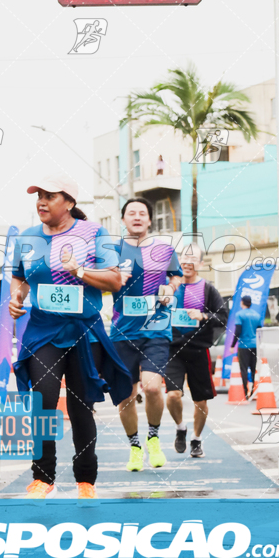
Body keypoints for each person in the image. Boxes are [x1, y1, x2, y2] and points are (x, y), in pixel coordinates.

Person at [9, 175, 132, 501]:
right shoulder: (28, 237)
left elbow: (115, 281)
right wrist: (15, 298)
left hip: (84, 331)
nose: (41, 202)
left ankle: (85, 480)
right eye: (38, 196)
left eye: (50, 196)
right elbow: (19, 278)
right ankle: (43, 476)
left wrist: (79, 271)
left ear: (70, 203)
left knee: (80, 408)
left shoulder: (95, 233)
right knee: (42, 403)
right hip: (43, 330)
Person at [110, 198, 183, 471]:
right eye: (132, 213)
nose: (137, 217)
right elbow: (100, 283)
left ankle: (153, 438)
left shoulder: (164, 249)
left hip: (156, 328)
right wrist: (114, 279)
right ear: (123, 219)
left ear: (150, 220)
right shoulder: (113, 250)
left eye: (143, 213)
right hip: (122, 331)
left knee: (152, 387)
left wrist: (170, 287)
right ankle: (135, 447)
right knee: (125, 396)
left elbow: (176, 276)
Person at [164, 244, 228, 458]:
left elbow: (223, 318)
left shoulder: (208, 289)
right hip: (173, 348)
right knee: (173, 395)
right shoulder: (169, 286)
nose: (188, 262)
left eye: (193, 259)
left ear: (201, 264)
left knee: (200, 401)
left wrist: (204, 316)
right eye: (184, 258)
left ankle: (197, 439)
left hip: (199, 350)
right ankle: (180, 428)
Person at [231, 295, 263, 399]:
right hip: (255, 344)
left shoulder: (239, 315)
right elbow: (259, 330)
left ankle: (245, 392)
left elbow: (238, 331)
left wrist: (232, 345)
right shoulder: (256, 315)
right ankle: (254, 391)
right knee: (254, 368)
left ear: (242, 303)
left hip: (243, 345)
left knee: (244, 369)